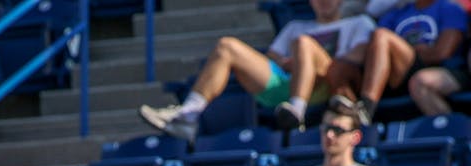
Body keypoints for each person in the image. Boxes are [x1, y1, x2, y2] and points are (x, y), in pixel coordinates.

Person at [137, 0, 375, 141]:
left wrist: (310, 57)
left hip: (326, 83)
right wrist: (290, 63)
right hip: (285, 82)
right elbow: (272, 57)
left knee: (303, 44)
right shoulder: (296, 26)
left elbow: (358, 56)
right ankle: (188, 115)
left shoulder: (358, 23)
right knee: (226, 46)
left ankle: (297, 113)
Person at [323, 0, 468, 126]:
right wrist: (416, 49)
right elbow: (375, 50)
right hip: (397, 74)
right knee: (339, 68)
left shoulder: (449, 8)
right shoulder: (395, 13)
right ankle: (346, 121)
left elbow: (442, 52)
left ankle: (367, 108)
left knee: (382, 36)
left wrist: (405, 49)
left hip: (437, 69)